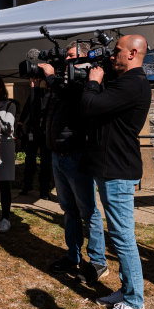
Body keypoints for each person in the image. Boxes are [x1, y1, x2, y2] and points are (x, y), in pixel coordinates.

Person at [81, 35, 150, 309]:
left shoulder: (133, 83)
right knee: (121, 235)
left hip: (118, 170)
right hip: (113, 168)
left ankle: (135, 304)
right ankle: (126, 290)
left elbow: (90, 106)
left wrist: (94, 81)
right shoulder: (125, 81)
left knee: (123, 237)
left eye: (118, 51)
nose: (112, 56)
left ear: (133, 53)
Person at [38, 41, 108, 286]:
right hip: (58, 154)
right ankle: (73, 256)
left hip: (76, 155)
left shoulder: (84, 83)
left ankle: (98, 261)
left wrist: (50, 77)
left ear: (83, 58)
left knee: (88, 210)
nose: (67, 61)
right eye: (66, 56)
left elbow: (72, 97)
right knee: (69, 211)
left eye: (71, 56)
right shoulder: (63, 83)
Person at [0, 76, 17, 233]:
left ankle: (5, 218)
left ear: (0, 89)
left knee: (4, 185)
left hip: (4, 147)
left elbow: (8, 127)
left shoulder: (10, 104)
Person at [17, 74, 52, 200]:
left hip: (45, 133)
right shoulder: (34, 93)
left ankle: (44, 190)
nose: (34, 82)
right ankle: (27, 186)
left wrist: (35, 90)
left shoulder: (48, 93)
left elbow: (40, 107)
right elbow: (28, 106)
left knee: (45, 162)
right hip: (33, 131)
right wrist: (20, 123)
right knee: (29, 160)